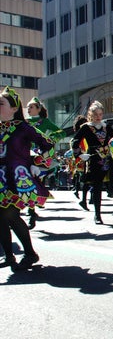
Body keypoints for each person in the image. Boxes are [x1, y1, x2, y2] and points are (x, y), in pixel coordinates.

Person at [0, 86, 54, 270]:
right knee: (0, 217)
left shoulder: (24, 128)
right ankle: (9, 256)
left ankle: (30, 253)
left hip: (16, 179)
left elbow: (49, 145)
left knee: (11, 215)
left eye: (1, 103)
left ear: (14, 108)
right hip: (1, 180)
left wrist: (37, 163)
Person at [71, 101, 113, 225]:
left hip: (107, 158)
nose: (98, 116)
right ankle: (97, 214)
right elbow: (75, 141)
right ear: (91, 114)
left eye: (101, 114)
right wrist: (80, 154)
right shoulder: (86, 127)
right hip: (94, 159)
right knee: (97, 186)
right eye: (96, 114)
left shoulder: (106, 126)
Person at [25, 97, 66, 229]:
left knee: (36, 179)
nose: (29, 109)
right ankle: (31, 210)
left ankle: (33, 206)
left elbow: (61, 131)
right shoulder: (24, 122)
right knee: (28, 181)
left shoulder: (45, 122)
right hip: (25, 154)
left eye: (31, 107)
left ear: (38, 108)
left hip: (40, 154)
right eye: (28, 107)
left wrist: (50, 139)